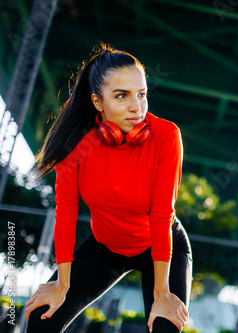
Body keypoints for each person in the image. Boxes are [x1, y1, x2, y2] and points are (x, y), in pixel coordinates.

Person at [25, 45, 192, 333]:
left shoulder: (166, 136)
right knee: (42, 319)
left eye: (142, 94)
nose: (137, 107)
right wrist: (61, 284)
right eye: (121, 96)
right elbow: (65, 213)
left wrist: (162, 293)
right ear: (97, 102)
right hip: (105, 247)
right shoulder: (76, 146)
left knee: (166, 327)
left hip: (161, 247)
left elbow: (162, 214)